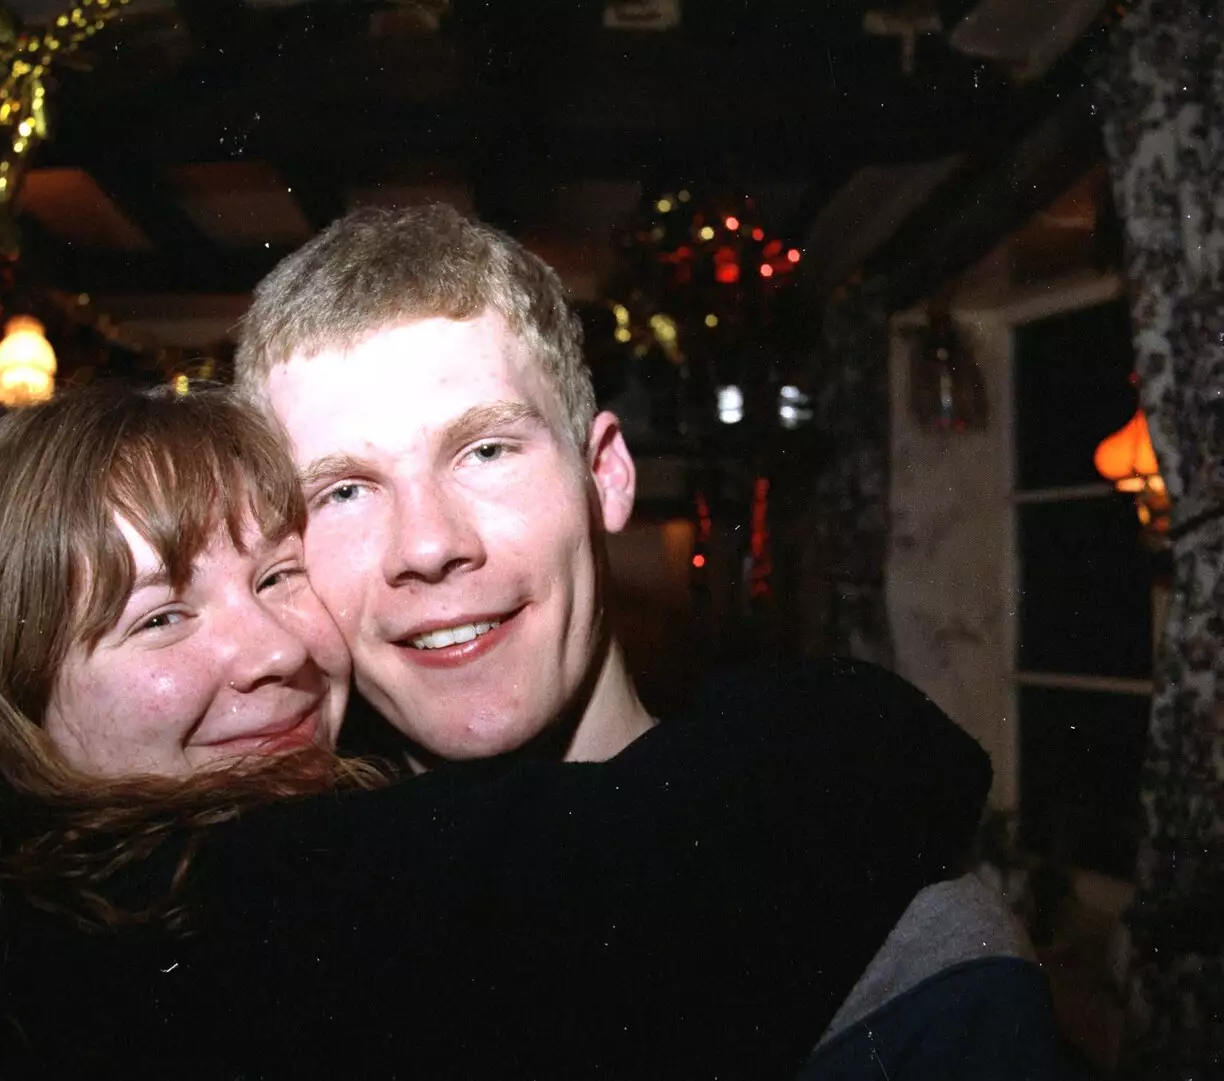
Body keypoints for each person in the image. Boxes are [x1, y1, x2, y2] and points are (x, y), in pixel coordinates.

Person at [0, 382, 994, 1080]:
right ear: (4, 692)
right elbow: (862, 760)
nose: (272, 651)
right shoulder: (216, 902)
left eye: (276, 577)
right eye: (160, 617)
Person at [233, 203, 1072, 1076]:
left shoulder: (916, 968)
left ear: (608, 477)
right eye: (342, 491)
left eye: (485, 450)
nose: (429, 544)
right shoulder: (247, 959)